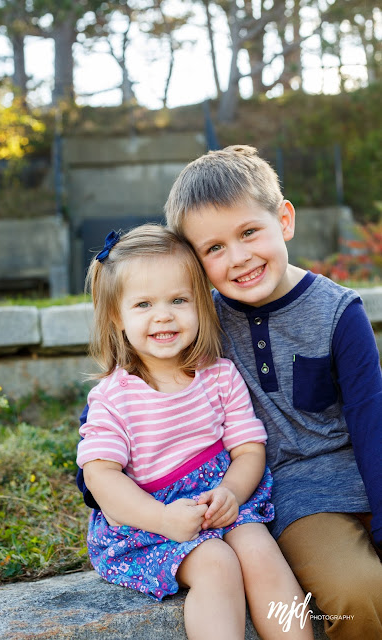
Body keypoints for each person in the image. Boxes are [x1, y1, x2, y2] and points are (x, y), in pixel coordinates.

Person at [163, 144, 382, 640]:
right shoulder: (203, 324)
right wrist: (98, 466)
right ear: (195, 263)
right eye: (214, 248)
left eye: (248, 233)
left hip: (364, 471)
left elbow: (372, 420)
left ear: (283, 219)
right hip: (297, 493)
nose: (238, 258)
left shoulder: (338, 311)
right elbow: (140, 388)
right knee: (360, 593)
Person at [76, 224, 313, 640]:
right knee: (216, 563)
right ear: (117, 315)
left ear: (201, 304)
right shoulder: (114, 397)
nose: (163, 314)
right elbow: (100, 476)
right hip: (147, 521)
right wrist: (163, 518)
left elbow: (249, 449)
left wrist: (233, 493)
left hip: (221, 499)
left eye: (178, 300)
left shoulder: (218, 375)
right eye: (144, 303)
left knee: (260, 553)